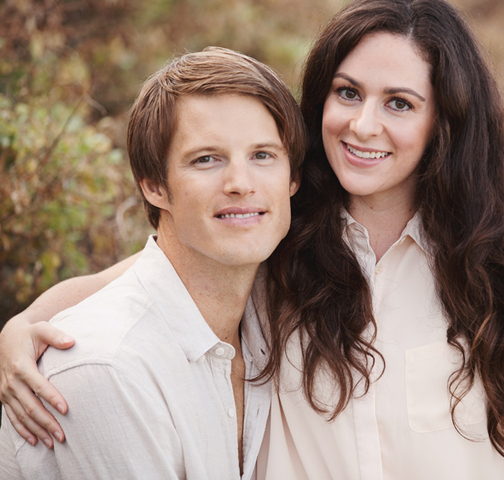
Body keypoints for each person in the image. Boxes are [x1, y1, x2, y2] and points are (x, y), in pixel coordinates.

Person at [0, 0, 504, 480]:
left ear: (446, 119)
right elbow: (143, 281)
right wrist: (20, 329)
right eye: (348, 93)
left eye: (400, 104)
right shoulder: (279, 230)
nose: (364, 125)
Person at [0, 47, 304, 479]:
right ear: (154, 187)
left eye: (263, 155)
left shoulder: (269, 313)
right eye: (206, 159)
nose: (241, 184)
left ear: (292, 179)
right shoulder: (110, 369)